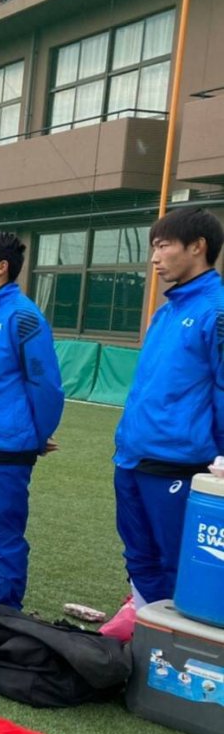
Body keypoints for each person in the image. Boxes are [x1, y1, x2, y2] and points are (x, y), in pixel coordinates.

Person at [105, 207, 224, 639]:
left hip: (179, 462)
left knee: (177, 561)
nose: (154, 258)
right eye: (153, 247)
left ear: (197, 247)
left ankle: (175, 652)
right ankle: (144, 639)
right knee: (139, 556)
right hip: (132, 456)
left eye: (163, 246)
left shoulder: (216, 311)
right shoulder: (166, 311)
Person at [0, 231, 64, 610]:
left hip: (5, 446)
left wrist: (37, 434)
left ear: (1, 268)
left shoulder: (22, 316)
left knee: (0, 535)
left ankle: (5, 615)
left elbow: (46, 384)